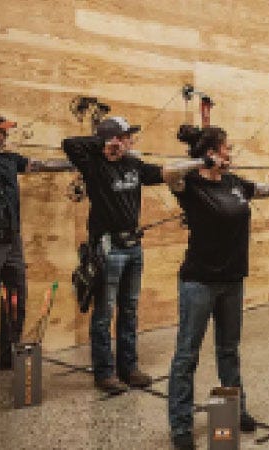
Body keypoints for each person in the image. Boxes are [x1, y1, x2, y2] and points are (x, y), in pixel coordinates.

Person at [166, 125, 269, 449]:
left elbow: (260, 189)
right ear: (213, 152)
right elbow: (169, 172)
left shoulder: (233, 183)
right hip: (198, 282)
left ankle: (237, 408)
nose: (231, 153)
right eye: (226, 148)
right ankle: (180, 426)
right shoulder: (189, 185)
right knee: (187, 355)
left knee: (229, 351)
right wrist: (201, 162)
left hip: (232, 281)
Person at [61, 116, 202, 395]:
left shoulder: (133, 165)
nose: (131, 141)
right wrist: (102, 143)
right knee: (104, 313)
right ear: (113, 140)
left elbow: (164, 172)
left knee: (129, 309)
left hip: (133, 247)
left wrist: (199, 164)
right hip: (108, 248)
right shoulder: (94, 165)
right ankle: (104, 372)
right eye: (125, 136)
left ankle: (129, 368)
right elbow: (70, 144)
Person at [0, 111, 73, 390]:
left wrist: (75, 164)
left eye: (4, 131)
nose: (5, 135)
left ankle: (8, 356)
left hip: (12, 242)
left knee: (15, 301)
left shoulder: (11, 160)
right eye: (0, 131)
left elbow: (44, 165)